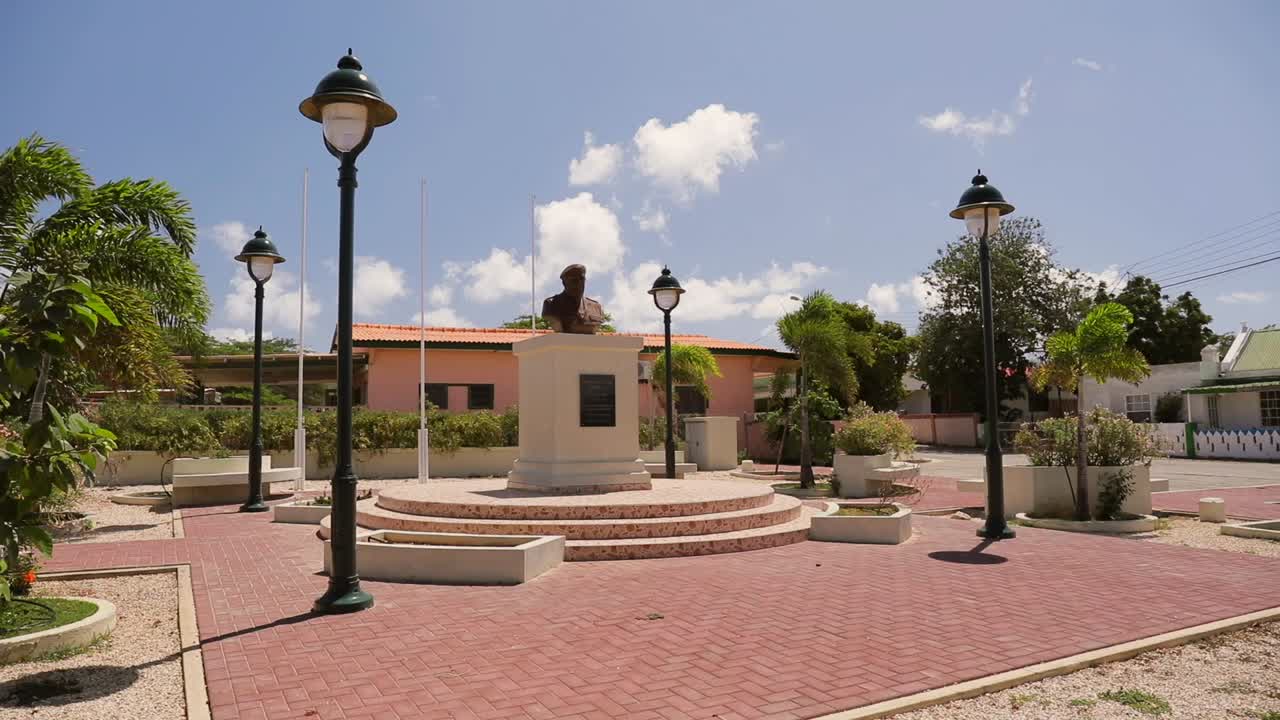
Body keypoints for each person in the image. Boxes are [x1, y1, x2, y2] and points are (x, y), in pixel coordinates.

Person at [541, 264, 606, 334]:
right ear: (564, 283)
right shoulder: (552, 304)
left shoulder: (596, 307)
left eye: (581, 279)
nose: (579, 283)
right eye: (573, 280)